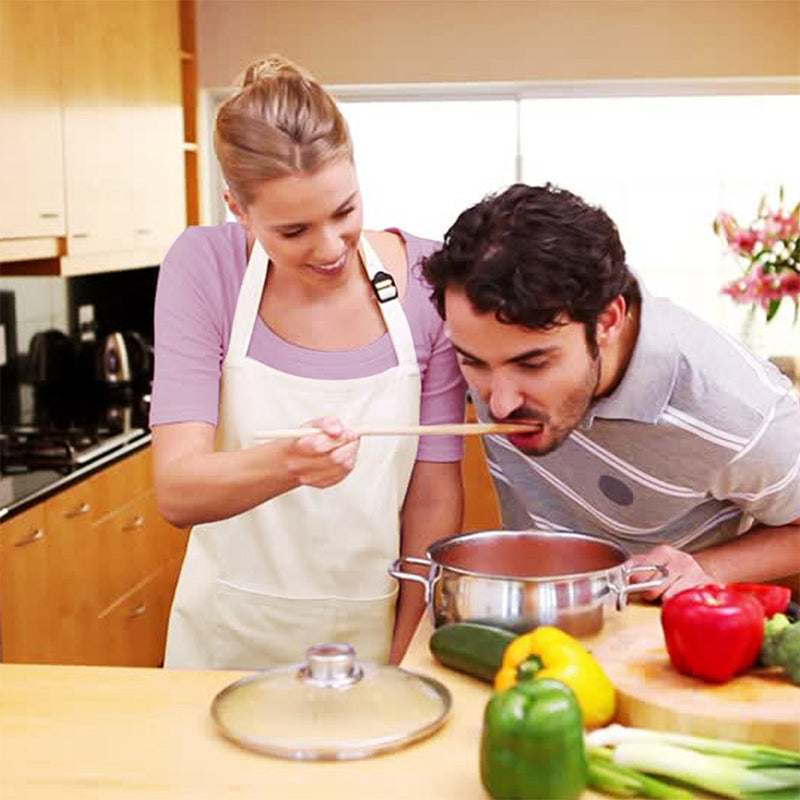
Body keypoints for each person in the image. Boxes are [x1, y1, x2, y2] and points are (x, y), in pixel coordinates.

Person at [150, 55, 466, 669]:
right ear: (238, 210)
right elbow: (178, 491)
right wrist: (289, 463)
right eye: (293, 231)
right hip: (221, 643)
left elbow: (432, 495)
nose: (329, 248)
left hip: (372, 641)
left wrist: (406, 656)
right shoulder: (206, 267)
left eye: (345, 211)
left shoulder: (429, 282)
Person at [422, 183, 800, 600]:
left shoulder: (738, 410)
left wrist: (707, 567)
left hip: (671, 634)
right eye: (473, 363)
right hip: (543, 620)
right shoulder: (484, 335)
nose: (500, 403)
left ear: (607, 321)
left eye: (532, 364)